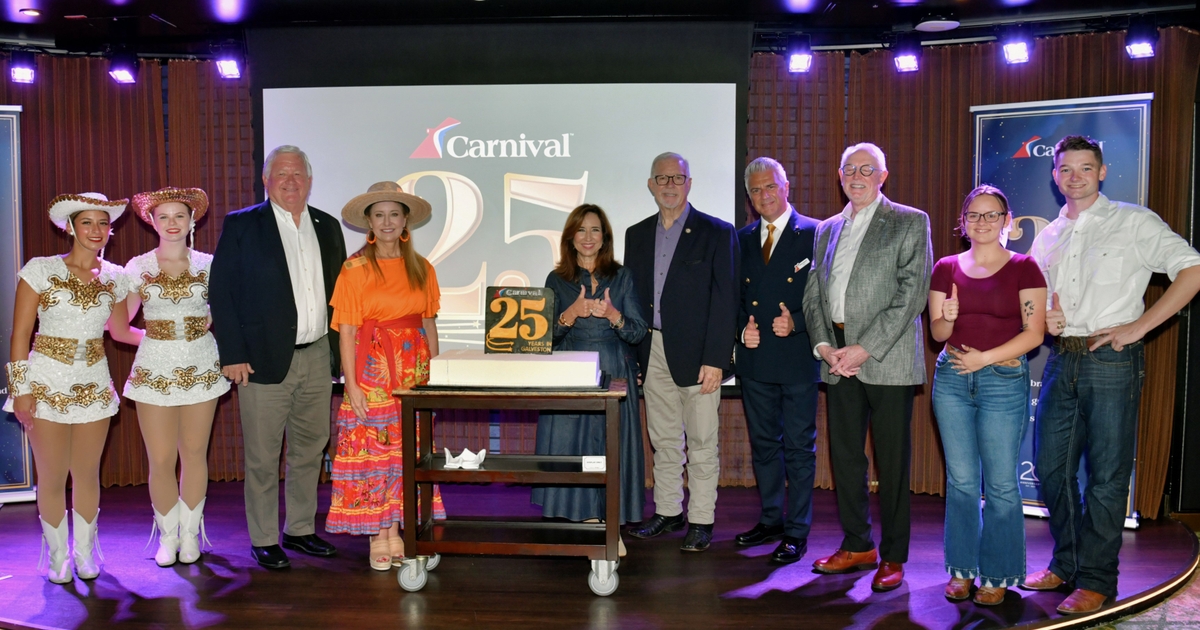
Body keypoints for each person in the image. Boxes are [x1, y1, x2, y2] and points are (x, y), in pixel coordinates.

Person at [1021, 135, 1200, 614]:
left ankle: (1097, 579)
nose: (1074, 177)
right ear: (1055, 176)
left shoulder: (1134, 221)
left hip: (1112, 360)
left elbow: (1193, 270)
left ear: (1101, 172)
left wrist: (1140, 327)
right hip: (1061, 359)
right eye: (1065, 169)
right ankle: (1068, 562)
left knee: (1106, 476)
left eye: (1085, 167)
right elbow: (1034, 300)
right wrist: (1043, 318)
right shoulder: (1049, 235)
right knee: (1051, 469)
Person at [209, 145, 348, 569]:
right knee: (263, 456)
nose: (290, 181)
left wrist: (341, 355)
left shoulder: (327, 225)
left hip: (317, 355)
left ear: (309, 181)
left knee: (310, 449)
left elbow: (341, 294)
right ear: (266, 181)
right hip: (260, 360)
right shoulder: (242, 225)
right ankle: (264, 538)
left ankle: (300, 530)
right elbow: (222, 292)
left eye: (298, 174)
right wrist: (232, 353)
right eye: (281, 174)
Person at [801, 142, 932, 592]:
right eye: (849, 169)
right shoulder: (826, 229)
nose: (856, 177)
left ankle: (893, 555)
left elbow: (912, 294)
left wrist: (864, 348)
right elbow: (814, 294)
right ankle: (858, 544)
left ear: (882, 176)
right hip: (836, 358)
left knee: (892, 462)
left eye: (866, 169)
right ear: (839, 176)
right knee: (845, 458)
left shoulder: (910, 221)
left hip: (886, 358)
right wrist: (824, 346)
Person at [928, 185, 1046, 605]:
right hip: (953, 380)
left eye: (991, 214)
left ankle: (997, 575)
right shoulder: (945, 268)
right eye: (974, 215)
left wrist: (986, 359)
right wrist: (947, 317)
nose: (982, 222)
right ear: (963, 223)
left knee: (1000, 484)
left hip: (1003, 380)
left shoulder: (1025, 267)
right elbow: (937, 333)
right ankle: (961, 571)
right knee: (961, 481)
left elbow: (1035, 333)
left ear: (1006, 221)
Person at [4, 192, 130, 583]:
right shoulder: (40, 270)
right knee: (53, 475)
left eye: (103, 222)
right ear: (70, 227)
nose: (96, 230)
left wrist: (188, 331)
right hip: (45, 383)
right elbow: (20, 335)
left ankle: (85, 553)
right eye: (87, 222)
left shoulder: (117, 277)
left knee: (87, 474)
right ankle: (58, 557)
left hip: (94, 384)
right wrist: (20, 390)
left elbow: (122, 331)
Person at [324, 181, 446, 570]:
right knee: (376, 452)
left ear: (406, 220)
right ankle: (380, 534)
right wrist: (351, 384)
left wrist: (437, 377)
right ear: (369, 223)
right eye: (379, 215)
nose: (387, 221)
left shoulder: (423, 267)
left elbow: (429, 325)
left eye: (394, 214)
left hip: (415, 373)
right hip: (372, 372)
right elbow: (346, 332)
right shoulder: (354, 269)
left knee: (407, 451)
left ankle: (399, 528)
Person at [108, 187, 230, 567]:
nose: (172, 223)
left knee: (194, 454)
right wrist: (159, 336)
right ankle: (168, 536)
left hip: (201, 365)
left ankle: (191, 535)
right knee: (160, 458)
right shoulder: (137, 266)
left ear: (193, 220)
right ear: (152, 222)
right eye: (163, 216)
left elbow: (231, 310)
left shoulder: (211, 264)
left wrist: (211, 318)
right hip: (154, 368)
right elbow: (118, 328)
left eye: (179, 215)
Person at [624, 152, 738, 552]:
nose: (670, 185)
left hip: (700, 355)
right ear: (650, 185)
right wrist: (635, 356)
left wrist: (717, 359)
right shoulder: (636, 234)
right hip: (652, 348)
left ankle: (701, 520)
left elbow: (726, 301)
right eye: (662, 178)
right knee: (664, 439)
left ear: (689, 183)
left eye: (677, 178)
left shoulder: (717, 232)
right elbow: (633, 299)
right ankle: (669, 511)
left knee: (703, 442)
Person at [532, 204, 648, 553]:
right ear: (570, 237)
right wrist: (569, 314)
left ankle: (610, 524)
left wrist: (614, 315)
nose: (588, 237)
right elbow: (543, 339)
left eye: (595, 230)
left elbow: (638, 331)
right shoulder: (556, 280)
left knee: (613, 448)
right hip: (571, 370)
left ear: (605, 237)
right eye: (581, 230)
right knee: (577, 447)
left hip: (615, 370)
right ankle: (587, 520)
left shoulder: (622, 276)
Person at [734, 157, 820, 565]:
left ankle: (797, 530)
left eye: (770, 186)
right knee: (764, 444)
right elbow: (731, 296)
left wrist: (797, 322)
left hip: (798, 356)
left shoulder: (817, 233)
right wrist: (741, 331)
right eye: (755, 190)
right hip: (756, 358)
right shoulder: (741, 239)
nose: (764, 195)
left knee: (800, 448)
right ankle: (771, 519)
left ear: (787, 187)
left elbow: (828, 297)